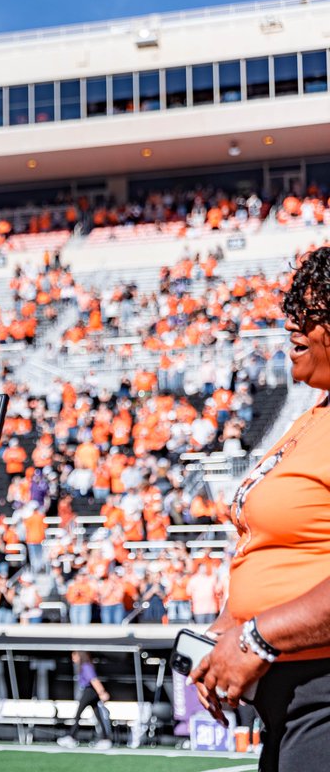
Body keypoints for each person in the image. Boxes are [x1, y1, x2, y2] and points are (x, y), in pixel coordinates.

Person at [191, 246, 330, 770]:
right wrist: (226, 631)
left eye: (314, 311)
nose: (291, 323)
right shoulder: (310, 419)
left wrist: (256, 637)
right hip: (289, 698)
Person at [57, 651, 114, 749]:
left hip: (89, 692)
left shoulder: (86, 666)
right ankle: (105, 739)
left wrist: (102, 692)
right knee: (98, 715)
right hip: (89, 691)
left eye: (75, 656)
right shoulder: (83, 666)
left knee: (78, 713)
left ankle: (71, 736)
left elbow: (94, 680)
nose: (73, 659)